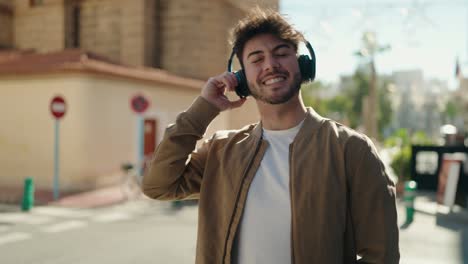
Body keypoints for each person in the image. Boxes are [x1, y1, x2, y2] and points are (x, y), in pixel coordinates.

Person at [142, 8, 399, 264]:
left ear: (302, 63)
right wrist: (203, 109)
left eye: (281, 53)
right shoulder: (221, 151)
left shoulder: (351, 150)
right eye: (256, 59)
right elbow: (157, 185)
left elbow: (381, 256)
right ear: (241, 78)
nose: (270, 65)